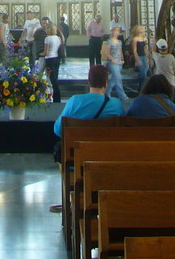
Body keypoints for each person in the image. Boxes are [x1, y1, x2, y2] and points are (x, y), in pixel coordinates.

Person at [48, 64, 126, 213]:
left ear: (88, 82)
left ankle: (71, 195)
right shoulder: (116, 105)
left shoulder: (75, 101)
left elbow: (58, 130)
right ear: (106, 82)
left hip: (78, 160)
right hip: (107, 159)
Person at [103, 24, 128, 104]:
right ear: (112, 32)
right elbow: (106, 53)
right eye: (115, 31)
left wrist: (122, 59)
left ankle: (107, 93)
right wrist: (112, 59)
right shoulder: (109, 41)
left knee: (114, 79)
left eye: (118, 32)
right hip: (112, 63)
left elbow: (120, 51)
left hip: (118, 62)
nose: (116, 33)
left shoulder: (119, 42)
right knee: (118, 78)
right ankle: (123, 96)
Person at [43, 22, 62, 103]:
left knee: (51, 79)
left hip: (49, 59)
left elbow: (46, 52)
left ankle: (54, 96)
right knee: (55, 78)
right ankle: (56, 98)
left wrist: (39, 54)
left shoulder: (47, 38)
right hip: (56, 58)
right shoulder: (58, 38)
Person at [129, 24, 150, 91]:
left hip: (144, 57)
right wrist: (137, 60)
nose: (141, 29)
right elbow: (134, 51)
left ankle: (142, 89)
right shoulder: (135, 39)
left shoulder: (145, 38)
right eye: (139, 28)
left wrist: (149, 57)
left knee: (145, 74)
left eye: (141, 28)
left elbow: (146, 49)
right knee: (143, 74)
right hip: (139, 57)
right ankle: (141, 90)